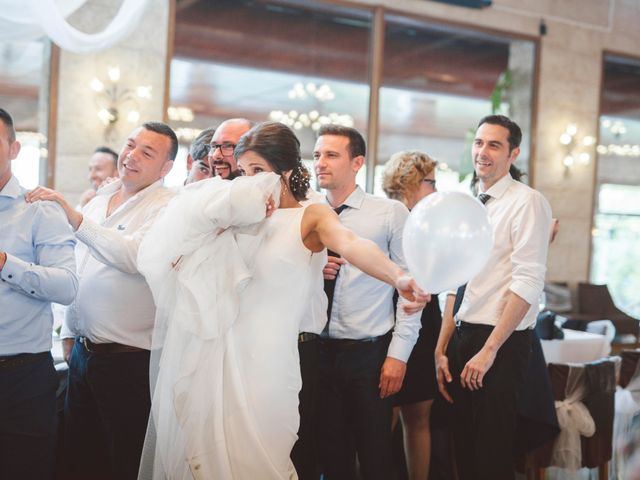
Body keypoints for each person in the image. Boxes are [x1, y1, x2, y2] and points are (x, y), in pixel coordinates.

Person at [136, 121, 427, 480]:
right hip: (225, 359)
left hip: (273, 367)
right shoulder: (235, 219)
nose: (248, 181)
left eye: (258, 170)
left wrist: (398, 276)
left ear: (286, 170)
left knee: (267, 462)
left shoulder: (311, 215)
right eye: (243, 171)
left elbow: (352, 244)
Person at [26, 122, 178, 480]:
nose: (132, 156)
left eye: (147, 152)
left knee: (122, 461)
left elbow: (136, 257)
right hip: (83, 353)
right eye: (130, 145)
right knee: (79, 457)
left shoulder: (169, 206)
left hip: (129, 362)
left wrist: (74, 216)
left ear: (166, 167)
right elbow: (79, 267)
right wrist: (70, 329)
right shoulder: (99, 201)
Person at [434, 114, 552, 480]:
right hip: (462, 337)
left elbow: (528, 282)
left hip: (499, 343)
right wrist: (442, 348)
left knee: (491, 456)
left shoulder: (527, 202)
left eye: (494, 145)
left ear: (513, 153)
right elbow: (456, 280)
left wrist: (489, 351)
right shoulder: (471, 205)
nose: (482, 152)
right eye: (479, 143)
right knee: (463, 451)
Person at [314, 125, 423, 480]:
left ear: (357, 161)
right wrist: (313, 269)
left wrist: (397, 356)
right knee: (330, 457)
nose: (320, 163)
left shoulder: (388, 213)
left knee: (377, 456)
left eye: (331, 155)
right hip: (316, 352)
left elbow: (409, 290)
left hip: (369, 355)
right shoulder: (306, 213)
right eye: (316, 155)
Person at [0, 108, 78, 480]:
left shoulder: (39, 210)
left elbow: (66, 286)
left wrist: (4, 262)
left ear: (14, 149)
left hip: (19, 378)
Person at [382, 150, 441, 480]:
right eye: (431, 182)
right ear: (412, 182)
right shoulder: (385, 218)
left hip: (425, 318)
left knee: (419, 417)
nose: (435, 189)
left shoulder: (432, 224)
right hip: (388, 317)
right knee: (381, 415)